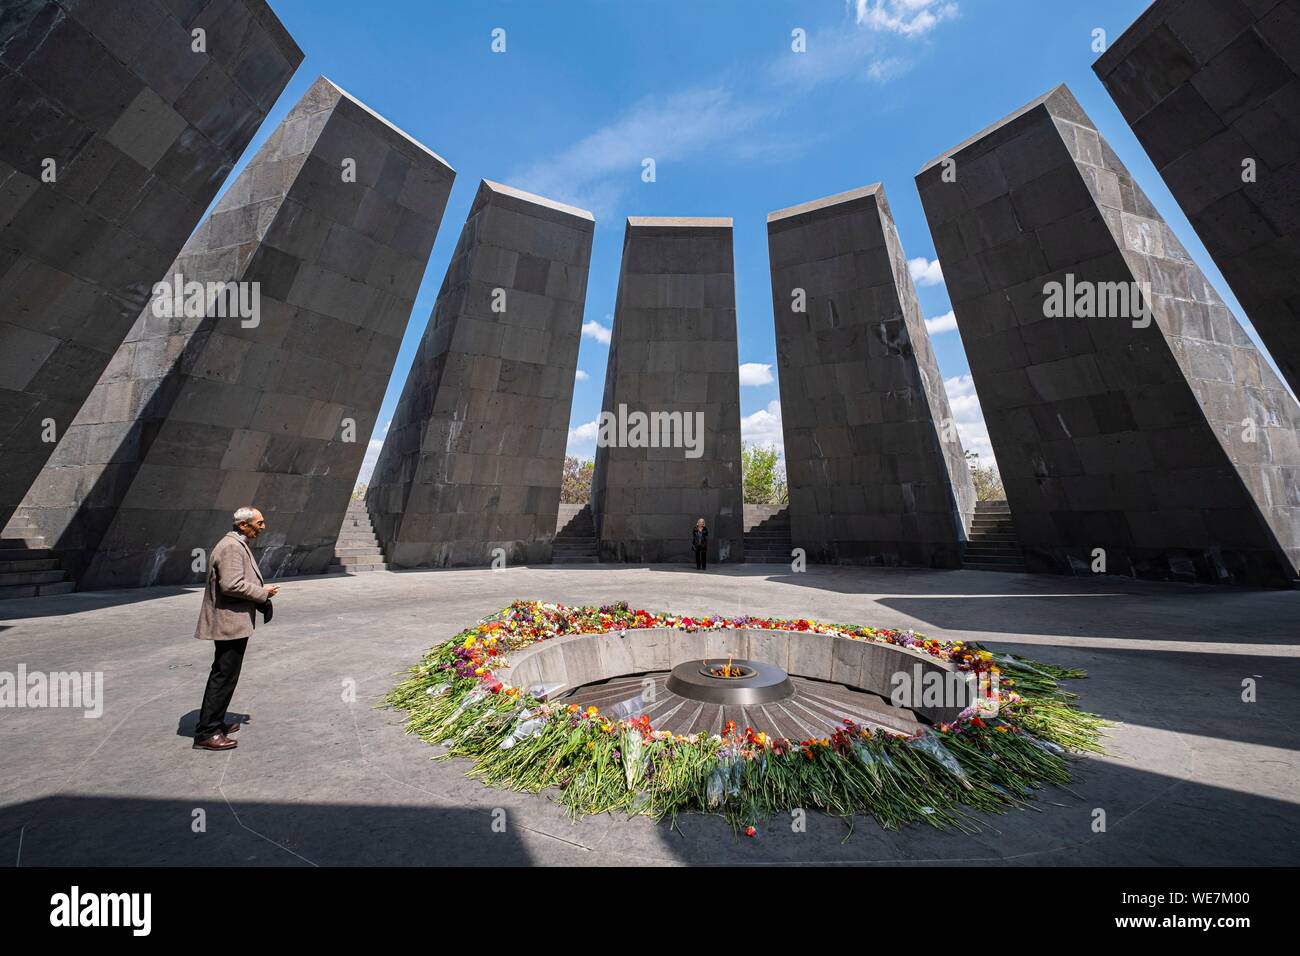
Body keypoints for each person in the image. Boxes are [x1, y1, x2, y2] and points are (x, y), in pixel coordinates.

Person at [192, 506, 278, 751]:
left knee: (225, 674)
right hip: (229, 622)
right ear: (243, 525)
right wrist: (263, 593)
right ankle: (207, 732)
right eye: (259, 523)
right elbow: (232, 584)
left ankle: (216, 722)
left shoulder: (235, 544)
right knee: (223, 675)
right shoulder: (231, 547)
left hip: (232, 621)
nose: (262, 527)